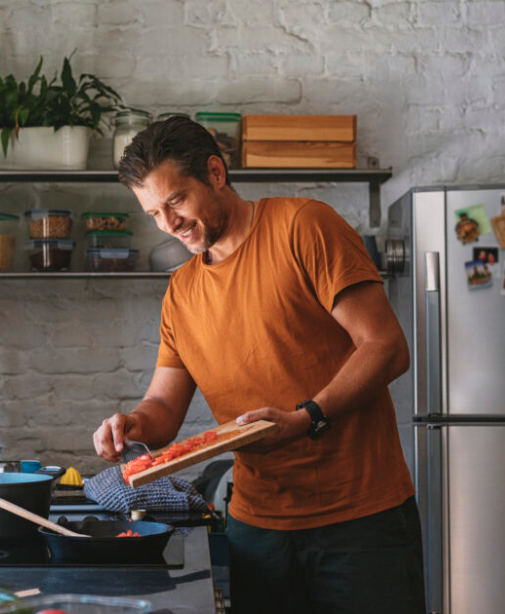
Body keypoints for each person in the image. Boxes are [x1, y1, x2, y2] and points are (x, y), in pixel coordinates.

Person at [92, 117, 424, 613]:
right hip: (257, 528)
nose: (168, 224)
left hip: (360, 518)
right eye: (154, 213)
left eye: (177, 201)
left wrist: (305, 418)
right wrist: (131, 425)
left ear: (215, 173)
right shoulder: (181, 292)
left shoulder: (303, 226)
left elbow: (385, 346)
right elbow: (162, 406)